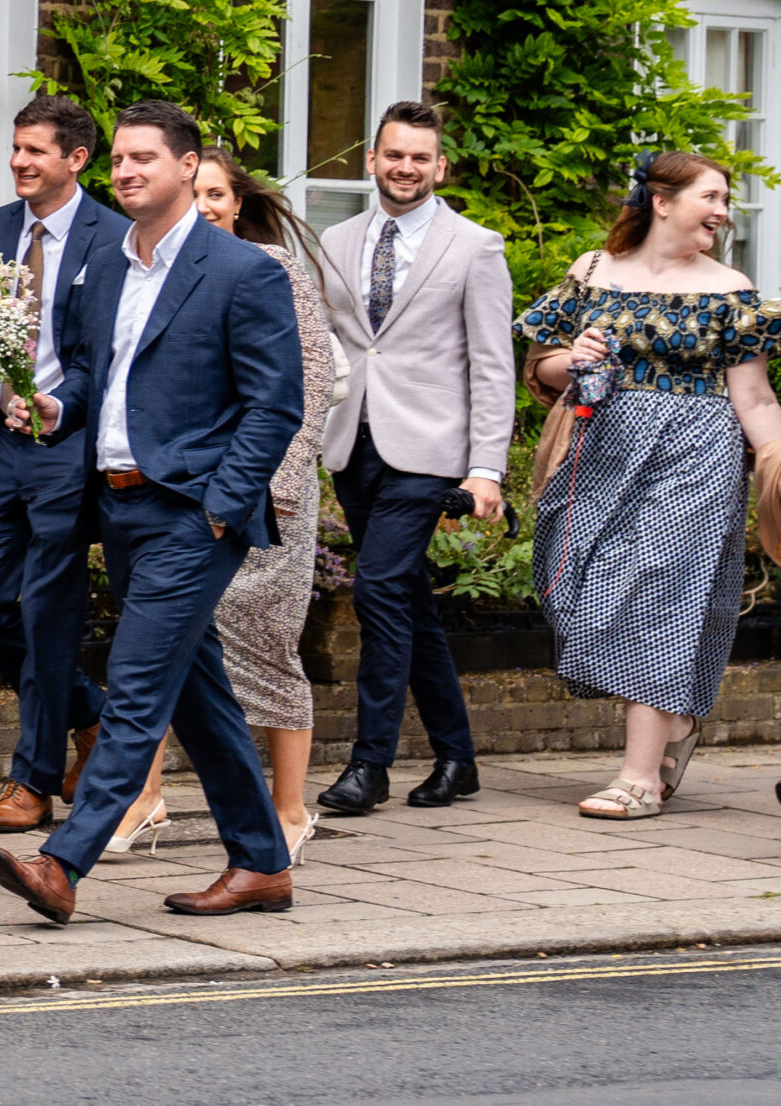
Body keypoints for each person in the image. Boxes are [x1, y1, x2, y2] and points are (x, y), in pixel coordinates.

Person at [0, 100, 302, 925]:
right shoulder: (107, 268)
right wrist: (57, 409)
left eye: (144, 159)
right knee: (198, 694)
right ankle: (263, 863)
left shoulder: (243, 272)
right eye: (119, 160)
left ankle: (63, 864)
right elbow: (96, 378)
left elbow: (275, 406)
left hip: (192, 517)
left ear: (188, 168)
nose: (126, 172)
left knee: (133, 688)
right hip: (118, 509)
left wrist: (223, 508)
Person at [517, 152, 781, 820]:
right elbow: (541, 366)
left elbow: (754, 398)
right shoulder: (593, 271)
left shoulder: (730, 289)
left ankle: (638, 777)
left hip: (696, 451)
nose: (723, 212)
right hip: (600, 449)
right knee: (571, 583)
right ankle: (677, 721)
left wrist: (775, 457)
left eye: (725, 200)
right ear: (661, 201)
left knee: (657, 594)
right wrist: (569, 360)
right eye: (711, 197)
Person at [108, 149, 338, 865]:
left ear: (237, 204)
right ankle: (143, 798)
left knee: (267, 650)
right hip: (183, 503)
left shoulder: (271, 269)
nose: (206, 204)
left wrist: (281, 488)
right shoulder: (151, 269)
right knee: (163, 649)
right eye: (197, 191)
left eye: (218, 193)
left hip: (265, 499)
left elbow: (308, 387)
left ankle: (289, 808)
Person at [312, 102, 513, 817]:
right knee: (405, 600)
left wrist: (485, 467)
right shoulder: (334, 240)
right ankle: (457, 757)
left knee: (376, 589)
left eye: (420, 158)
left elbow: (493, 366)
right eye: (394, 155)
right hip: (353, 443)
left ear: (440, 167)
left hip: (430, 450)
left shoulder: (475, 247)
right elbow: (335, 346)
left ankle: (370, 766)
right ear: (372, 159)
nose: (406, 168)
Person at [0, 96, 125, 834]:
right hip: (0, 446)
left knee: (49, 614)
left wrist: (59, 409)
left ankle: (32, 781)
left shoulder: (112, 236)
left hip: (66, 448)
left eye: (35, 151)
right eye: (16, 148)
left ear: (75, 159)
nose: (19, 161)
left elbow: (101, 357)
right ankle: (90, 714)